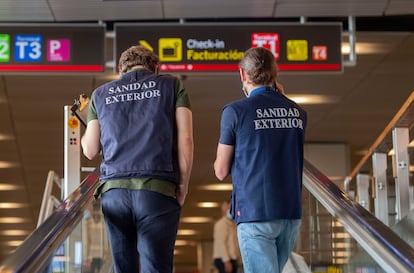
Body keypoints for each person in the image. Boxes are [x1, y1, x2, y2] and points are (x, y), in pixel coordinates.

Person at [81, 45, 194, 273]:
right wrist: (182, 185)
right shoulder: (172, 85)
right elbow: (186, 140)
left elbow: (90, 150)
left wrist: (86, 126)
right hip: (157, 189)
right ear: (156, 68)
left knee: (123, 269)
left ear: (121, 69)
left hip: (114, 192)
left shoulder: (100, 95)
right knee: (156, 267)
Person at [213, 47, 307, 273]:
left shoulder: (235, 111)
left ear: (243, 74)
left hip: (255, 212)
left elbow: (221, 170)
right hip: (290, 213)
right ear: (276, 74)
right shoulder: (297, 112)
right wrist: (280, 98)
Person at [213, 201, 240, 273]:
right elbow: (221, 243)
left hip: (232, 259)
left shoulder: (233, 224)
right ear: (224, 211)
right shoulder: (221, 224)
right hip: (224, 259)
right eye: (229, 209)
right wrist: (226, 261)